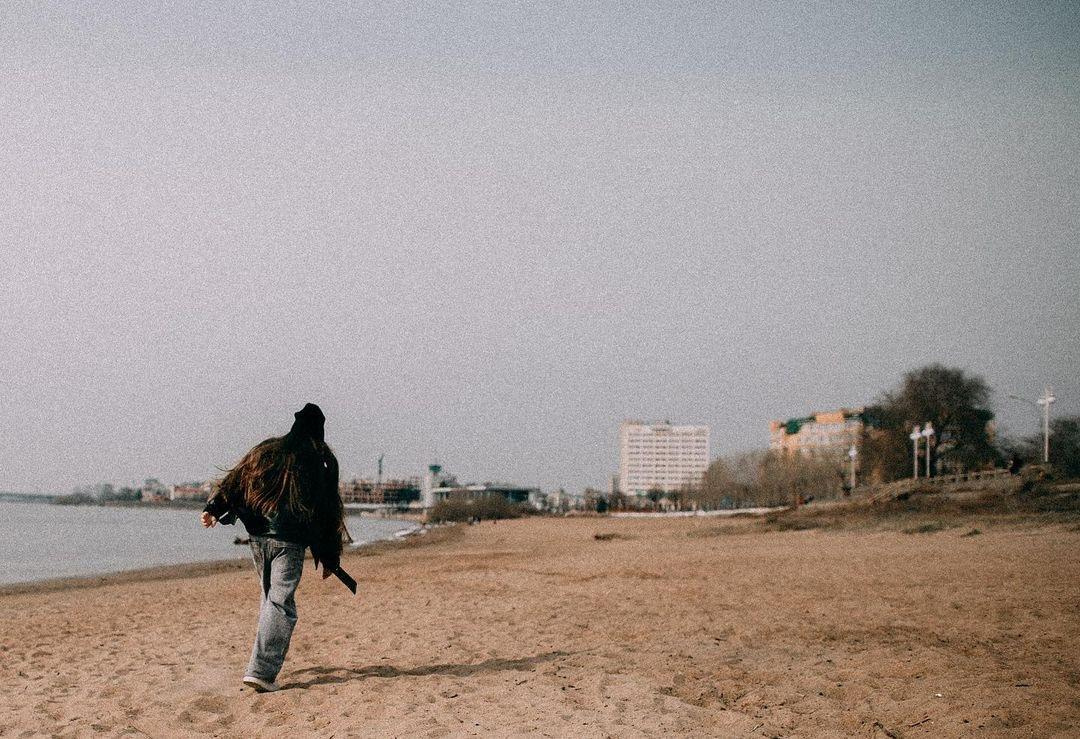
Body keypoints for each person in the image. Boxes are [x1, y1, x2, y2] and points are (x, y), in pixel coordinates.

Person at [201, 403, 344, 693]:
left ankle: (258, 666)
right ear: (320, 430)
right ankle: (261, 672)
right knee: (279, 604)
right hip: (289, 542)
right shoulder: (321, 460)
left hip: (257, 538)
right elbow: (327, 512)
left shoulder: (267, 451)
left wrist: (214, 509)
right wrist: (330, 557)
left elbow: (237, 480)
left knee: (271, 602)